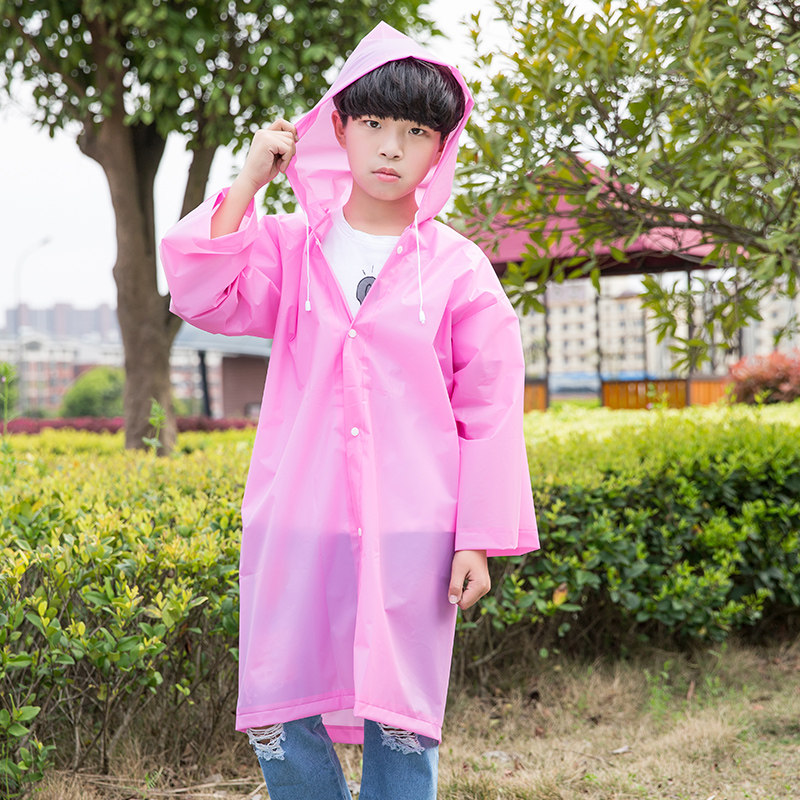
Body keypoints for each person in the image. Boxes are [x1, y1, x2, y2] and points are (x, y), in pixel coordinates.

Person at [160, 21, 538, 800]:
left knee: (401, 715)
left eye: (416, 132)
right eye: (373, 124)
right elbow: (202, 293)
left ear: (442, 147)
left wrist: (476, 539)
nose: (391, 148)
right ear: (338, 127)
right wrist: (247, 182)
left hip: (412, 530)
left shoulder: (459, 271)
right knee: (279, 702)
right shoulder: (291, 247)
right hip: (297, 517)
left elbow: (490, 409)